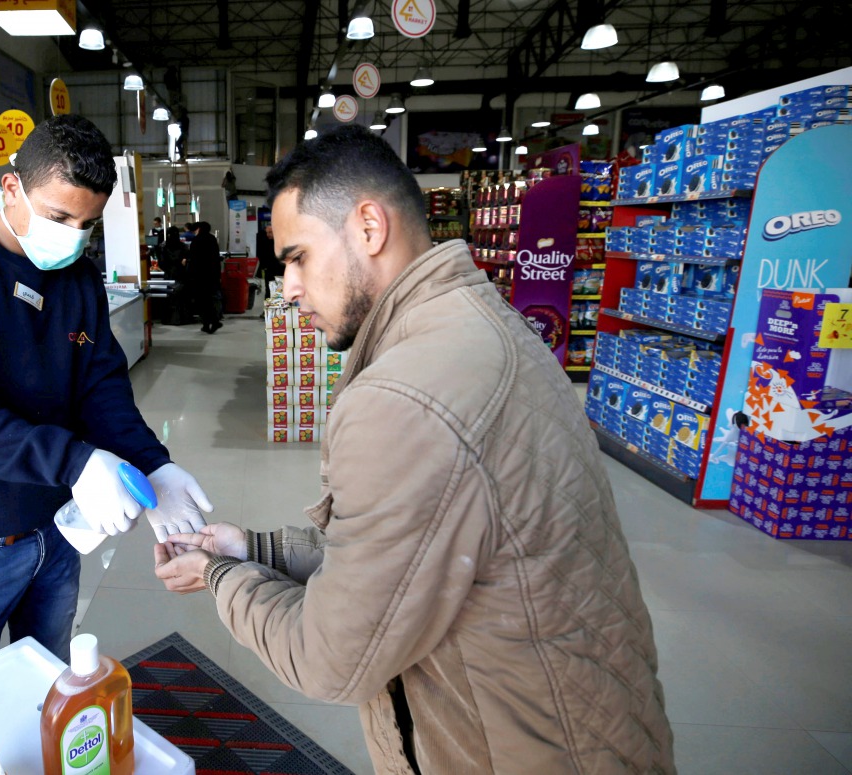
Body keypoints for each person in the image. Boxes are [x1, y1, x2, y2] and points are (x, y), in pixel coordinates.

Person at [153, 125, 675, 773]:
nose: (287, 286)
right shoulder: (476, 324)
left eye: (297, 257)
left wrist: (220, 575)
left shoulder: (402, 394)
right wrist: (253, 549)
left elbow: (329, 657)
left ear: (368, 227)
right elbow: (414, 547)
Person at [0, 114, 214, 692]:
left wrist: (152, 463)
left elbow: (101, 387)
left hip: (57, 533)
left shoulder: (77, 278)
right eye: (59, 216)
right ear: (11, 188)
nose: (71, 235)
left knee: (47, 690)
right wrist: (76, 462)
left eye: (87, 224)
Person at [185, 221, 222, 334]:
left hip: (199, 276)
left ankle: (211, 322)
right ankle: (208, 324)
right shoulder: (212, 239)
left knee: (201, 301)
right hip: (212, 275)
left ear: (199, 229)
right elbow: (216, 258)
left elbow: (193, 258)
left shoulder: (197, 241)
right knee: (209, 299)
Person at [255, 222, 279, 297]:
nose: (268, 234)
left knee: (277, 290)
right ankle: (270, 308)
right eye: (267, 232)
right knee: (269, 290)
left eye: (270, 232)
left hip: (279, 271)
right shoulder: (264, 242)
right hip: (269, 270)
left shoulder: (280, 243)